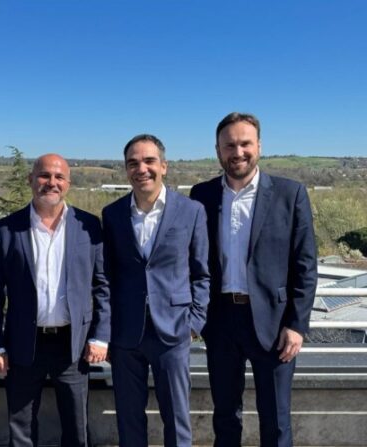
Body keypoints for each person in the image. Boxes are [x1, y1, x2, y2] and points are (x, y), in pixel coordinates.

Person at [190, 112, 317, 446]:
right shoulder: (201, 195)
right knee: (225, 417)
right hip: (220, 321)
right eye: (229, 145)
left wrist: (297, 325)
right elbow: (192, 260)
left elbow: (305, 265)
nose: (238, 152)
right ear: (217, 150)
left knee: (276, 420)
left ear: (259, 146)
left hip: (274, 324)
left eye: (245, 143)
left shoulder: (290, 193)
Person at [0, 153, 110, 447]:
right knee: (21, 428)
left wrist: (100, 336)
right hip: (23, 343)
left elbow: (103, 286)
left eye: (59, 177)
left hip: (73, 345)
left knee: (77, 428)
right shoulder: (7, 229)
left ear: (68, 183)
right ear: (31, 180)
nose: (51, 182)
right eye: (44, 175)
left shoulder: (89, 226)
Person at [102, 134, 210, 447]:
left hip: (174, 331)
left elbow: (202, 273)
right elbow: (106, 276)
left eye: (149, 161)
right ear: (126, 169)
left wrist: (194, 323)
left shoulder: (191, 211)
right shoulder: (112, 214)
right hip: (125, 333)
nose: (141, 169)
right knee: (129, 418)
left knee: (177, 418)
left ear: (164, 166)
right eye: (133, 163)